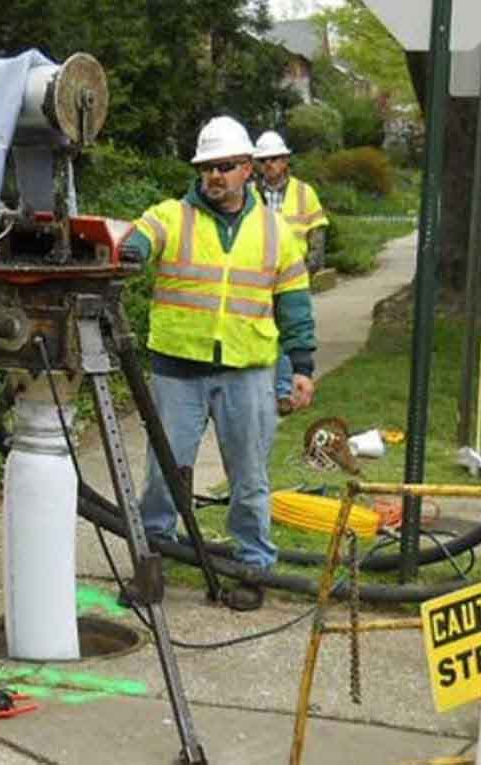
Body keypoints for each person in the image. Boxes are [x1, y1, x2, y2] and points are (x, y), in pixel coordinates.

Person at [123, 116, 316, 611]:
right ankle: (150, 566)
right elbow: (140, 236)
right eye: (207, 167)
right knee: (164, 475)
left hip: (247, 372)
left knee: (249, 477)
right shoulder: (171, 216)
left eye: (225, 166)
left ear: (247, 169)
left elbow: (295, 303)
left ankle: (254, 567)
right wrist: (131, 251)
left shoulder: (276, 232)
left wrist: (302, 367)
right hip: (177, 371)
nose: (215, 176)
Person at [251, 130, 329, 417]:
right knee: (264, 332)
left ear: (285, 161)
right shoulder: (249, 193)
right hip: (259, 274)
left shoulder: (303, 192)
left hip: (293, 275)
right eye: (264, 160)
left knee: (289, 331)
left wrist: (311, 265)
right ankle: (265, 388)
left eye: (274, 159)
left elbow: (317, 230)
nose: (269, 165)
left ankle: (283, 391)